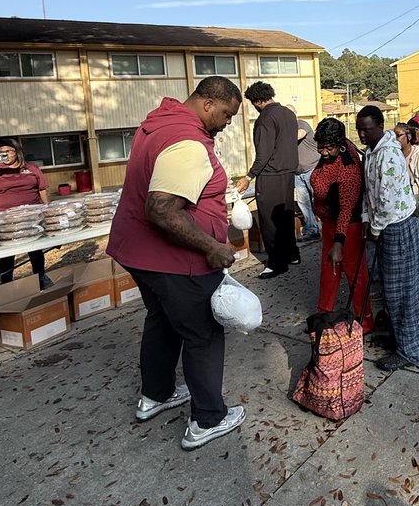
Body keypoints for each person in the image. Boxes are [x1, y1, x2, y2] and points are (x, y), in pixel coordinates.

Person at [107, 76, 245, 450]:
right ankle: (207, 419)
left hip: (139, 253)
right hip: (173, 260)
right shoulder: (186, 142)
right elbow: (163, 209)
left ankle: (155, 395)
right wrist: (210, 247)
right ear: (208, 105)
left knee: (162, 322)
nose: (227, 123)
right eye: (228, 115)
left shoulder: (159, 123)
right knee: (201, 333)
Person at [356, 105, 419, 372]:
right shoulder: (370, 152)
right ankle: (400, 338)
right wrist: (365, 219)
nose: (361, 134)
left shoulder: (390, 153)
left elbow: (388, 198)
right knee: (390, 291)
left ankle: (409, 351)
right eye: (359, 129)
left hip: (397, 226)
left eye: (367, 129)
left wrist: (375, 227)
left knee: (404, 291)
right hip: (382, 225)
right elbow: (369, 192)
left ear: (380, 126)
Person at [310, 117, 373, 333]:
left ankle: (365, 319)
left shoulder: (348, 169)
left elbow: (346, 209)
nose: (324, 152)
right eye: (321, 146)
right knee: (329, 269)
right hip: (329, 222)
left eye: (329, 147)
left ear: (339, 144)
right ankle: (323, 312)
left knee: (355, 273)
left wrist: (339, 242)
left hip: (347, 227)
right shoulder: (335, 149)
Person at [236, 82, 301, 279]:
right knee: (286, 215)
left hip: (270, 175)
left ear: (256, 101)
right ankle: (292, 254)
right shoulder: (288, 114)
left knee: (270, 220)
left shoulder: (265, 118)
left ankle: (276, 263)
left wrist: (249, 176)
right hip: (288, 173)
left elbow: (263, 154)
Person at [0, 138, 51, 286]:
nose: (5, 155)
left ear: (17, 152)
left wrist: (47, 209)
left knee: (35, 249)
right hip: (5, 219)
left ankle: (40, 277)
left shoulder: (31, 168)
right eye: (1, 152)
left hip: (31, 217)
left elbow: (42, 188)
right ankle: (7, 284)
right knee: (6, 253)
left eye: (8, 151)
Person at [394, 122, 419, 216]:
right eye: (393, 136)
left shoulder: (418, 156)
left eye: (398, 136)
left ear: (409, 137)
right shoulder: (394, 157)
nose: (395, 140)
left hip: (415, 207)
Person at [294, 113, 321, 241]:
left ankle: (328, 228)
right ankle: (312, 230)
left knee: (318, 200)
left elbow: (300, 134)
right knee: (304, 203)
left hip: (312, 169)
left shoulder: (301, 124)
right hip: (298, 173)